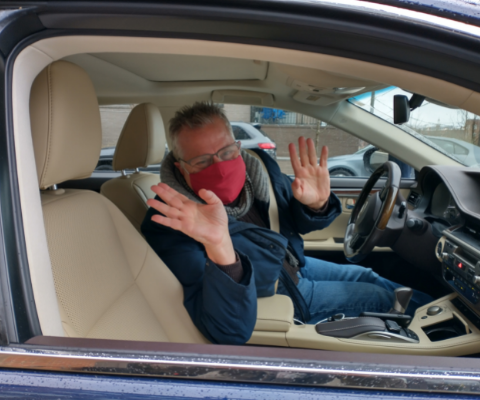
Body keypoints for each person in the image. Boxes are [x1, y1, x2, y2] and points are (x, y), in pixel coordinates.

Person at [141, 102, 432, 345]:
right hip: (273, 290)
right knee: (384, 297)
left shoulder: (258, 169)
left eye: (227, 152)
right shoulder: (170, 221)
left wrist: (315, 205)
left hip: (291, 265)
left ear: (237, 146)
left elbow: (289, 224)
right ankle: (442, 337)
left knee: (368, 275)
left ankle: (436, 312)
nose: (219, 166)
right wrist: (219, 245)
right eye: (203, 162)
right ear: (180, 168)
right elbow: (225, 328)